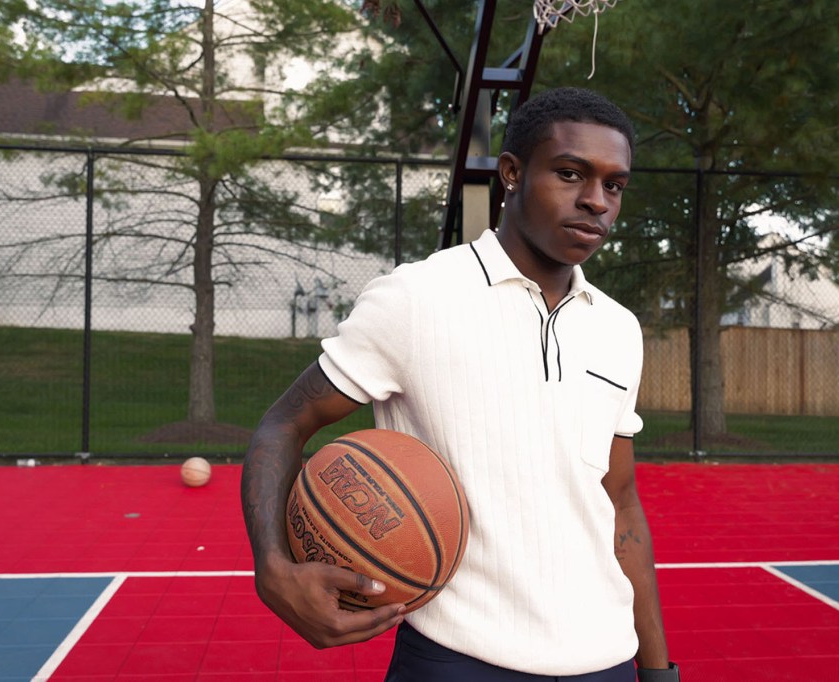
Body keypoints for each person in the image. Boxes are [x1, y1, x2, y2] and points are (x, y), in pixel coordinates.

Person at [241, 87, 679, 682]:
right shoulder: (415, 298)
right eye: (571, 174)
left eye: (614, 185)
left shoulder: (619, 329)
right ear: (512, 174)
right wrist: (272, 568)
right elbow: (283, 425)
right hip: (457, 659)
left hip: (604, 659)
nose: (596, 201)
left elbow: (620, 500)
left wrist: (656, 670)